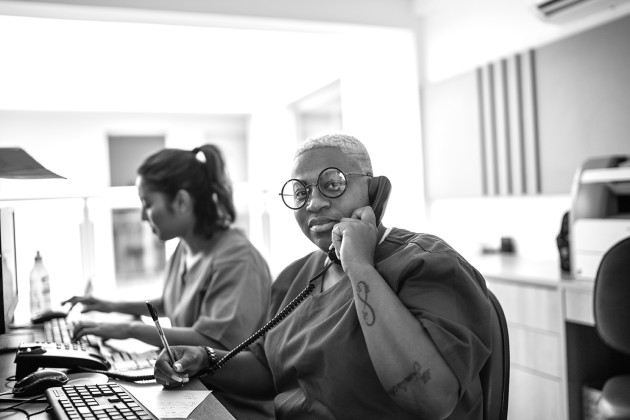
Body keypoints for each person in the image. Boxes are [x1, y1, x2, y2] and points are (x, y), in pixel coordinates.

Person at [153, 134, 493, 420]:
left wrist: (359, 265)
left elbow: (431, 397)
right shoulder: (296, 276)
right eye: (300, 193)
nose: (313, 203)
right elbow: (269, 370)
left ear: (375, 191)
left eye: (332, 185)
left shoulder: (426, 262)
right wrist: (205, 359)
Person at [63, 144, 274, 420]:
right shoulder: (186, 248)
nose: (142, 216)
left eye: (148, 203)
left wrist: (128, 329)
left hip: (231, 407)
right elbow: (172, 302)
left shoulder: (237, 259)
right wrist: (109, 305)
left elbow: (210, 341)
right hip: (195, 391)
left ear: (182, 202)